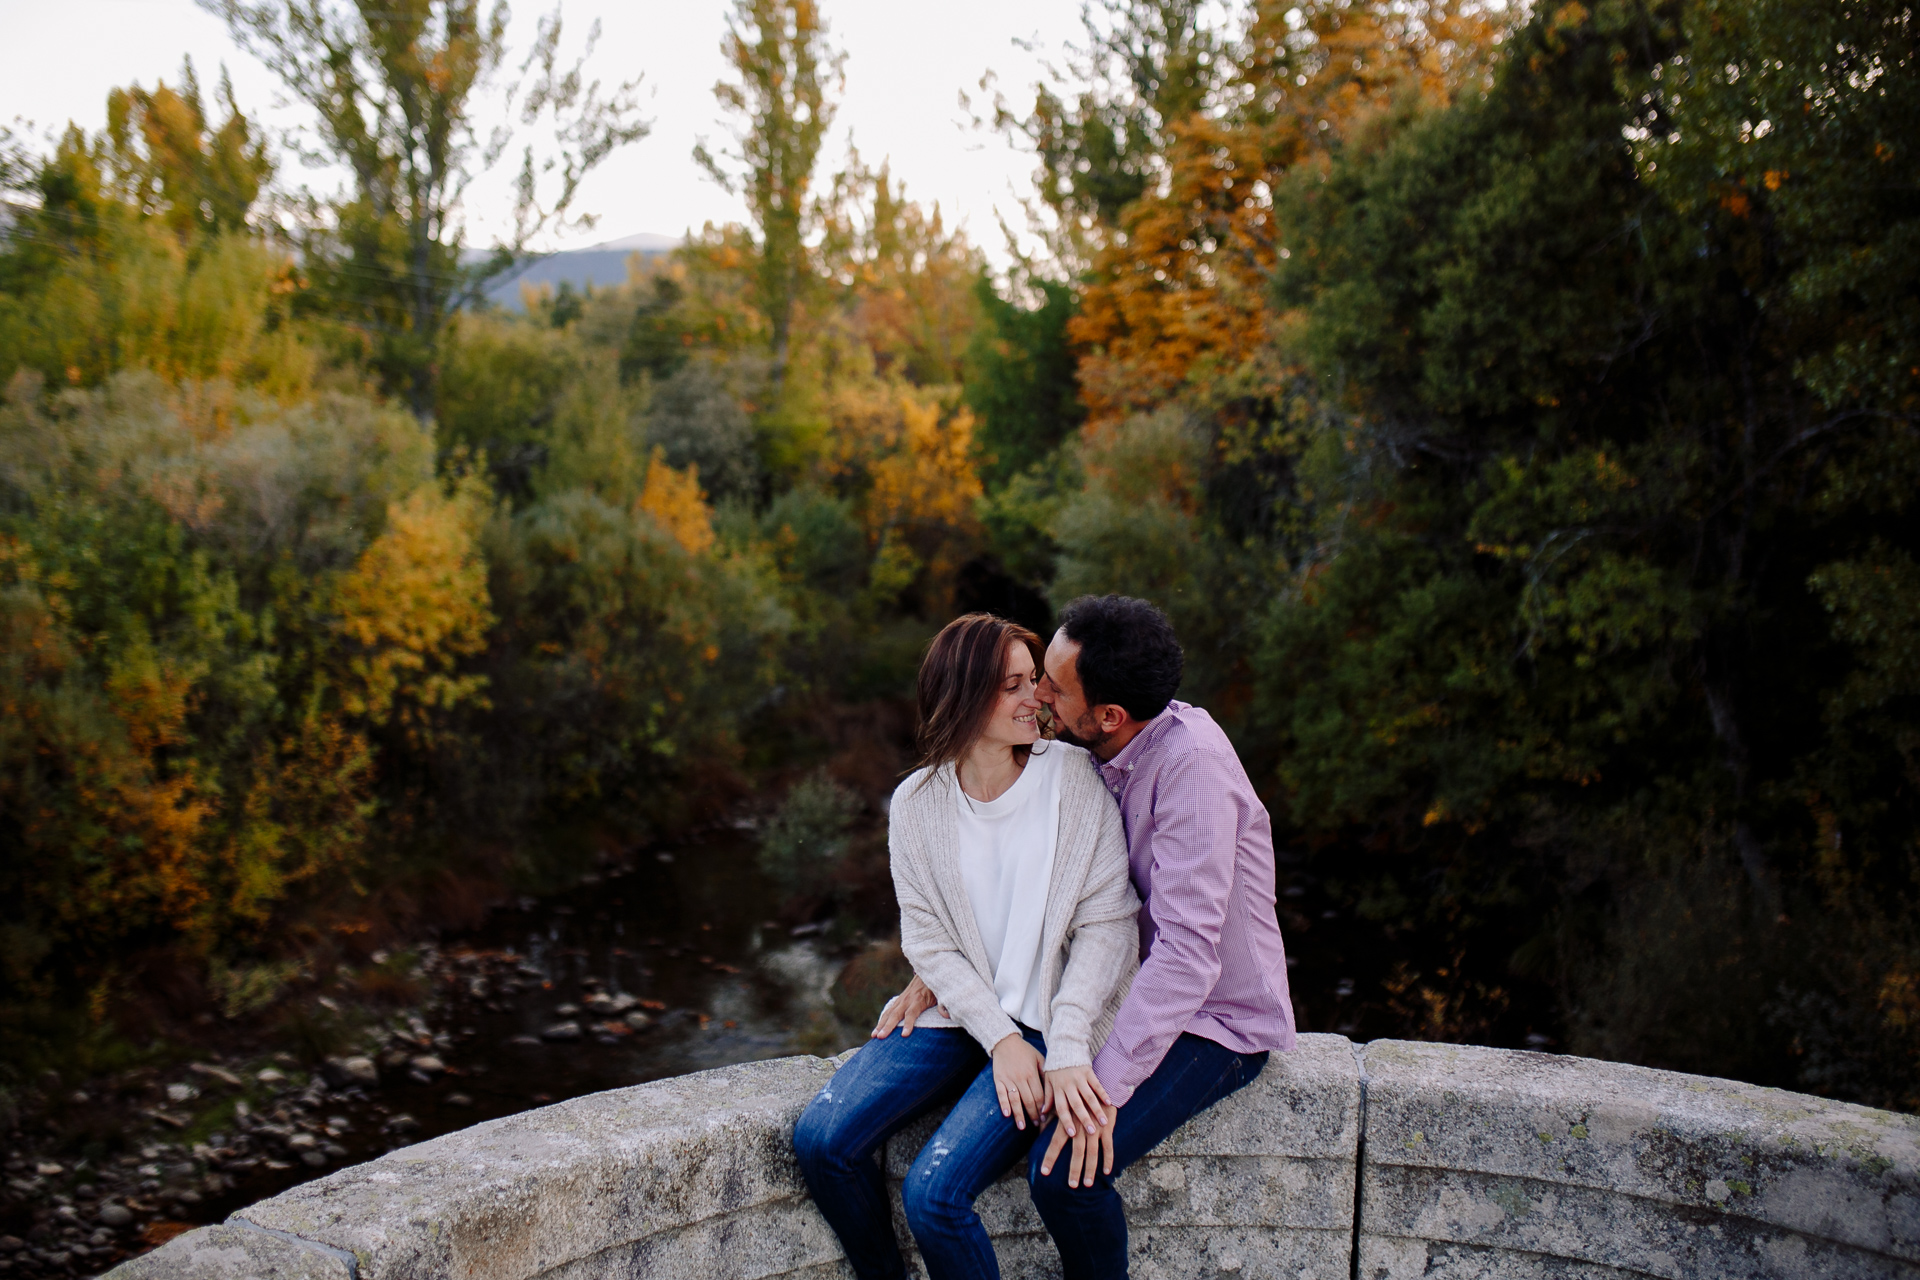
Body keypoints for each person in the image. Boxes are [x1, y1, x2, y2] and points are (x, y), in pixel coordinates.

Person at [874, 594, 1296, 1279]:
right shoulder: (1097, 746)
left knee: (1064, 1171)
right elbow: (1042, 878)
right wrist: (937, 966)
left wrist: (1099, 1085)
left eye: (1053, 685)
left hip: (1216, 1020)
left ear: (1109, 716)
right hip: (1129, 984)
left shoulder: (1193, 774)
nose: (1037, 693)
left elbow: (1189, 960)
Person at [793, 613, 1142, 1280]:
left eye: (1033, 681)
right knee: (820, 1140)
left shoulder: (1073, 780)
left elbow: (1110, 926)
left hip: (1046, 1022)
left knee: (934, 1195)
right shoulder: (918, 802)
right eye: (1011, 685)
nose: (1034, 698)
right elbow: (928, 938)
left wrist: (1054, 1046)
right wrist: (996, 1039)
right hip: (970, 1016)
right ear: (963, 695)